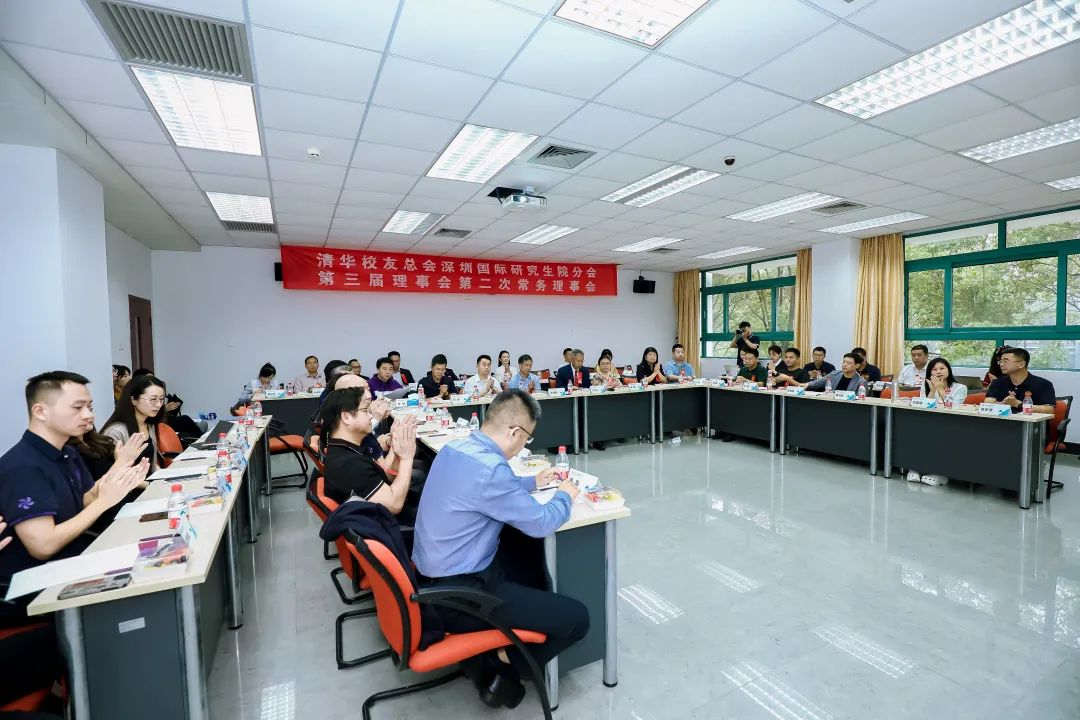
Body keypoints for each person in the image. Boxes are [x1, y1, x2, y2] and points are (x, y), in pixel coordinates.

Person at [412, 390, 587, 709]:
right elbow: (541, 522)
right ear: (515, 432)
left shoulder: (457, 448)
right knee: (577, 618)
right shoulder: (491, 469)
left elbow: (485, 488)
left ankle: (511, 635)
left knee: (523, 553)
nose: (524, 445)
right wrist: (565, 495)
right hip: (462, 595)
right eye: (527, 438)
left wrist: (531, 482)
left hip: (431, 580)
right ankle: (504, 664)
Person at [0, 372, 147, 622]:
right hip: (31, 587)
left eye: (89, 407)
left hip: (70, 563)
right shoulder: (22, 467)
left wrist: (120, 478)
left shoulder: (67, 453)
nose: (88, 415)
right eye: (77, 408)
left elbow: (86, 498)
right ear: (40, 411)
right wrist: (104, 501)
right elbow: (43, 546)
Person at [320, 387, 419, 523]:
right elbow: (395, 505)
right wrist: (407, 457)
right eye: (365, 410)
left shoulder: (347, 448)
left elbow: (387, 476)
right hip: (395, 525)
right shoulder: (349, 464)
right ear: (346, 417)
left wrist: (396, 447)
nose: (371, 416)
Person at [905, 358, 969, 486]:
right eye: (934, 369)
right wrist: (932, 391)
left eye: (942, 368)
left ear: (948, 370)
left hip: (951, 422)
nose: (938, 372)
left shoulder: (960, 388)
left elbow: (953, 409)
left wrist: (941, 390)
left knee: (940, 434)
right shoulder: (926, 386)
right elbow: (924, 407)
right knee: (914, 430)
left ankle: (941, 474)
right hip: (930, 421)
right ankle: (915, 468)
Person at [101, 373, 169, 472]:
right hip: (129, 481)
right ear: (133, 400)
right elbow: (112, 472)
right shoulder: (116, 432)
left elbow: (151, 465)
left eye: (161, 399)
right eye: (153, 399)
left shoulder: (150, 426)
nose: (159, 404)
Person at [985, 348, 1056, 415]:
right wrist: (1000, 404)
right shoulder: (997, 382)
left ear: (1021, 364)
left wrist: (1018, 404)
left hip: (1029, 422)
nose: (1001, 364)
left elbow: (1049, 410)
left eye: (1005, 361)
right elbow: (988, 401)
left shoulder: (1043, 384)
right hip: (1002, 421)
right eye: (1000, 361)